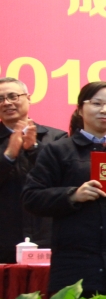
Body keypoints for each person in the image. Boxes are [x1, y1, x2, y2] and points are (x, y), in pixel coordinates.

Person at [22, 82, 106, 294]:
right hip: (76, 265)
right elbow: (31, 197)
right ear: (80, 109)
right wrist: (73, 195)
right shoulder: (58, 150)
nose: (105, 110)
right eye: (97, 103)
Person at [0, 77, 66, 264]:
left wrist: (35, 149)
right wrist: (9, 155)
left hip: (48, 235)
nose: (7, 103)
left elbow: (63, 179)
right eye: (1, 99)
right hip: (4, 238)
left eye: (13, 96)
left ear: (28, 98)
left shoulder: (56, 138)